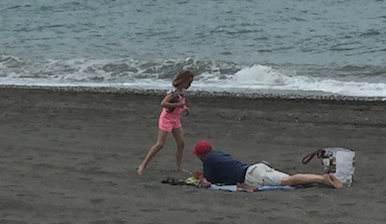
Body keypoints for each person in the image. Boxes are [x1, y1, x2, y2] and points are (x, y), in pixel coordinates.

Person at [191, 140, 342, 188]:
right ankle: (320, 179)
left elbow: (212, 182)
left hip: (251, 176)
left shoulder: (208, 160)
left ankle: (322, 178)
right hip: (256, 167)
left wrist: (201, 178)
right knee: (290, 180)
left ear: (200, 154)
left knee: (288, 181)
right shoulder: (219, 154)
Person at [137, 70, 194, 175]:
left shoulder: (181, 92)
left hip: (175, 119)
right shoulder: (173, 92)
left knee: (181, 143)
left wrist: (183, 107)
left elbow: (180, 102)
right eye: (188, 82)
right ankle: (142, 165)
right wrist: (179, 106)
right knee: (160, 144)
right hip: (166, 119)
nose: (190, 85)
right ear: (183, 81)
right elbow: (163, 103)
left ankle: (179, 167)